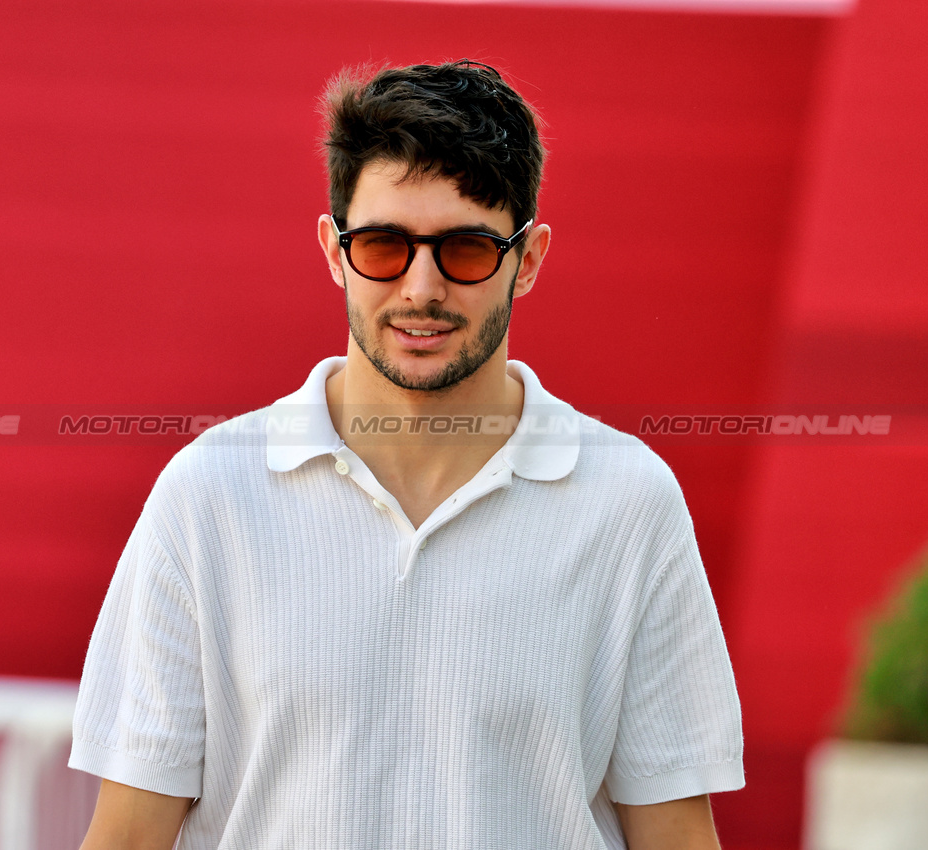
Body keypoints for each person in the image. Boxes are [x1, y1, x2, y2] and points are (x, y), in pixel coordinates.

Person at [70, 60, 743, 850]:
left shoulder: (627, 503)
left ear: (527, 259)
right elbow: (128, 836)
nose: (421, 288)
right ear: (334, 251)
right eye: (384, 245)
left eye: (466, 249)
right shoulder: (209, 493)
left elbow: (674, 834)